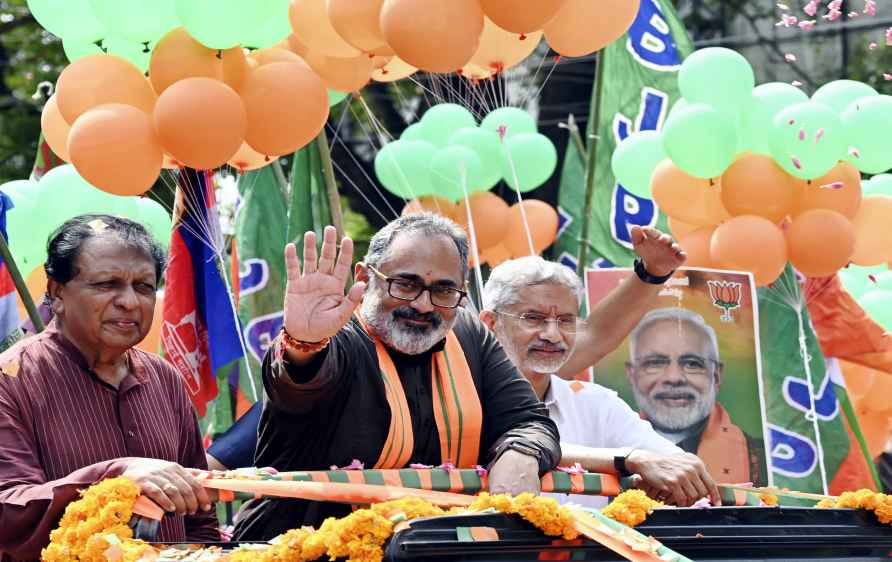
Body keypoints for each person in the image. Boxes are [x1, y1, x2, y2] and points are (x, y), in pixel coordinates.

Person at [233, 215, 560, 540]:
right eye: (406, 284)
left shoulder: (468, 335)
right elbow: (298, 382)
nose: (422, 304)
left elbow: (529, 421)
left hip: (437, 548)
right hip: (301, 548)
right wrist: (304, 342)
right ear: (364, 277)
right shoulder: (337, 338)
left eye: (444, 291)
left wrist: (521, 451)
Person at [0, 215, 218, 562]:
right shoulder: (10, 380)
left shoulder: (165, 379)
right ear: (56, 294)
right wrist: (116, 475)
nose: (130, 302)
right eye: (107, 284)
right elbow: (8, 512)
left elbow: (200, 517)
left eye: (144, 286)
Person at [480, 227, 719, 508]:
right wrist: (629, 461)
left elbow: (672, 463)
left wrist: (681, 469)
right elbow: (519, 442)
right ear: (490, 323)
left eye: (566, 320)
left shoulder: (596, 403)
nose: (552, 335)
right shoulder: (464, 402)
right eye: (533, 318)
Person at [626, 307, 766, 485]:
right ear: (631, 374)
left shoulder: (759, 458)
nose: (673, 378)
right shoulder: (608, 452)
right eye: (655, 363)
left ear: (716, 376)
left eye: (692, 364)